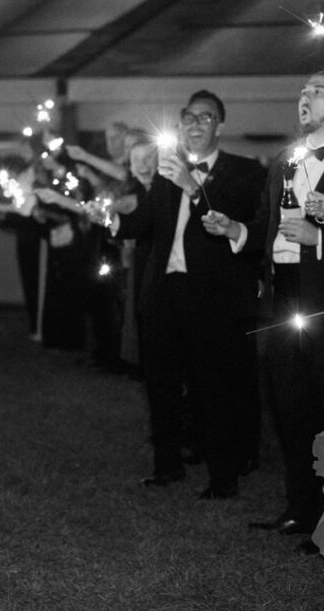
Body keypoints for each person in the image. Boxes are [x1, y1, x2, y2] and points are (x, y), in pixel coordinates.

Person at [114, 90, 265, 499]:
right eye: (188, 117)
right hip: (164, 293)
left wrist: (193, 188)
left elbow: (232, 223)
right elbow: (142, 222)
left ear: (219, 124)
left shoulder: (243, 171)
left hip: (212, 298)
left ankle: (223, 476)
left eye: (205, 117)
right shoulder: (167, 174)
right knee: (160, 385)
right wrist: (108, 219)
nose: (195, 124)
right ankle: (167, 466)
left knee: (213, 387)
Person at [204, 71, 324, 538]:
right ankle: (301, 507)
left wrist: (319, 238)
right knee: (291, 408)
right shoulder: (284, 163)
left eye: (317, 91)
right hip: (282, 306)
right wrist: (235, 230)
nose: (304, 97)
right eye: (302, 90)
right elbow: (265, 227)